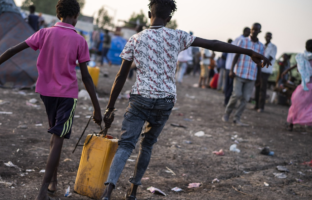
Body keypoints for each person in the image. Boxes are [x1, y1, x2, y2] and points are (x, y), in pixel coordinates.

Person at [100, 1, 270, 199]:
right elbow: (213, 44)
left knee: (126, 145)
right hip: (165, 101)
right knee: (147, 145)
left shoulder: (136, 39)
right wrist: (248, 52)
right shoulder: (177, 36)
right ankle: (133, 190)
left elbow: (121, 76)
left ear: (149, 14)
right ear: (169, 19)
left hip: (140, 99)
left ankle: (107, 192)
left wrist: (110, 107)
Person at [0, 1, 102, 200]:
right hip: (67, 95)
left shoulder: (44, 33)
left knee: (56, 136)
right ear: (76, 16)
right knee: (58, 138)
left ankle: (53, 181)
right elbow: (86, 77)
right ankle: (43, 189)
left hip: (46, 93)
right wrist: (97, 109)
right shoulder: (79, 40)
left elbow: (12, 50)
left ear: (58, 14)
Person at [222, 23, 265, 126]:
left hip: (252, 76)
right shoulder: (243, 41)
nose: (254, 31)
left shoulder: (261, 46)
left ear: (259, 31)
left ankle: (237, 118)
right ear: (250, 30)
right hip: (240, 73)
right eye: (253, 29)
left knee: (245, 98)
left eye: (256, 30)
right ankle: (227, 114)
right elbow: (236, 56)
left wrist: (259, 78)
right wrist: (232, 70)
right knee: (236, 95)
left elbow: (259, 63)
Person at [282, 39, 312, 131]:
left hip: (310, 85)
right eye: (308, 45)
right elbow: (297, 64)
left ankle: (299, 122)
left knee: (308, 105)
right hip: (304, 84)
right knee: (296, 101)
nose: (309, 47)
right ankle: (291, 122)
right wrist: (288, 70)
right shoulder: (303, 56)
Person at [224, 27, 250, 106]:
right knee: (231, 87)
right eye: (249, 32)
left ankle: (226, 101)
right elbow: (235, 56)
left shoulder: (237, 39)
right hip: (233, 67)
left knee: (228, 86)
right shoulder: (241, 40)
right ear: (245, 32)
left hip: (230, 66)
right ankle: (228, 102)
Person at [254, 32, 277, 112]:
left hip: (265, 71)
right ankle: (256, 105)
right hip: (259, 69)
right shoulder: (262, 45)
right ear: (265, 37)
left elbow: (270, 58)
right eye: (267, 36)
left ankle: (261, 107)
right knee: (257, 87)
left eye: (269, 36)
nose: (268, 38)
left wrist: (261, 64)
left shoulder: (273, 47)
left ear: (271, 37)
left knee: (262, 89)